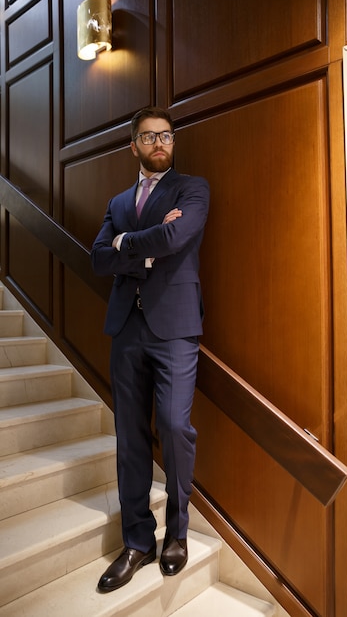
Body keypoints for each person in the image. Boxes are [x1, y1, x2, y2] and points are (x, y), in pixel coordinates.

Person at [91, 106, 209, 592]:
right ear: (133, 146)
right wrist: (139, 244)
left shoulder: (192, 189)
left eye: (166, 136)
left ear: (173, 142)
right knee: (130, 436)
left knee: (176, 426)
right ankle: (138, 540)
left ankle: (176, 535)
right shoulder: (118, 200)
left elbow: (178, 235)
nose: (159, 143)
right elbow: (99, 259)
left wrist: (125, 245)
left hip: (176, 327)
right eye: (148, 137)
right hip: (127, 329)